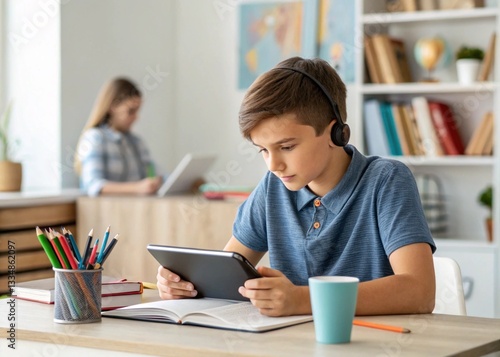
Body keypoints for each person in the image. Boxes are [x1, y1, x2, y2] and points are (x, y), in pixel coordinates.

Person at [156, 57, 436, 317]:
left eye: (286, 147)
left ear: (335, 132)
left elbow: (420, 292)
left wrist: (303, 300)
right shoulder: (273, 188)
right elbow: (227, 272)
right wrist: (188, 287)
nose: (273, 165)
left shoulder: (386, 181)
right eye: (262, 150)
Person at [74, 77, 163, 196]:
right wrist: (136, 188)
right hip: (108, 211)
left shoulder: (136, 142)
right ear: (112, 107)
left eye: (137, 111)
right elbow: (93, 185)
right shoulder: (95, 138)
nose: (136, 117)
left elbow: (155, 173)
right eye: (131, 111)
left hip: (136, 209)